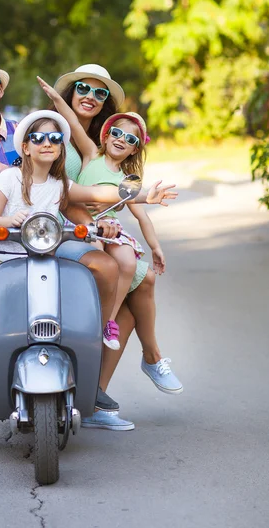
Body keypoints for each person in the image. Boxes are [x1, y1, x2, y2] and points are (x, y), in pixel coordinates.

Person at [0, 63, 178, 431]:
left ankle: (95, 360)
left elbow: (92, 190)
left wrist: (140, 195)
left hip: (45, 238)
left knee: (110, 268)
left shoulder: (28, 135)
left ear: (1, 89)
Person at [38, 75, 183, 394]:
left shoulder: (128, 179)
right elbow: (73, 123)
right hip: (81, 227)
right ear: (105, 136)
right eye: (115, 132)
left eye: (129, 139)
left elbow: (140, 212)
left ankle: (109, 324)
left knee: (132, 265)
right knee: (115, 261)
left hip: (110, 231)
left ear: (135, 149)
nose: (120, 139)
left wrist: (155, 245)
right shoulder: (89, 153)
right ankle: (114, 342)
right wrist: (57, 98)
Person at [0, 110, 171, 296]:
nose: (47, 143)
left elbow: (98, 192)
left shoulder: (59, 185)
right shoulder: (9, 177)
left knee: (58, 297)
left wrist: (145, 197)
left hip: (39, 258)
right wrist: (10, 220)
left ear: (60, 148)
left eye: (55, 139)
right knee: (3, 297)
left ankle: (99, 327)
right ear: (26, 148)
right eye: (38, 138)